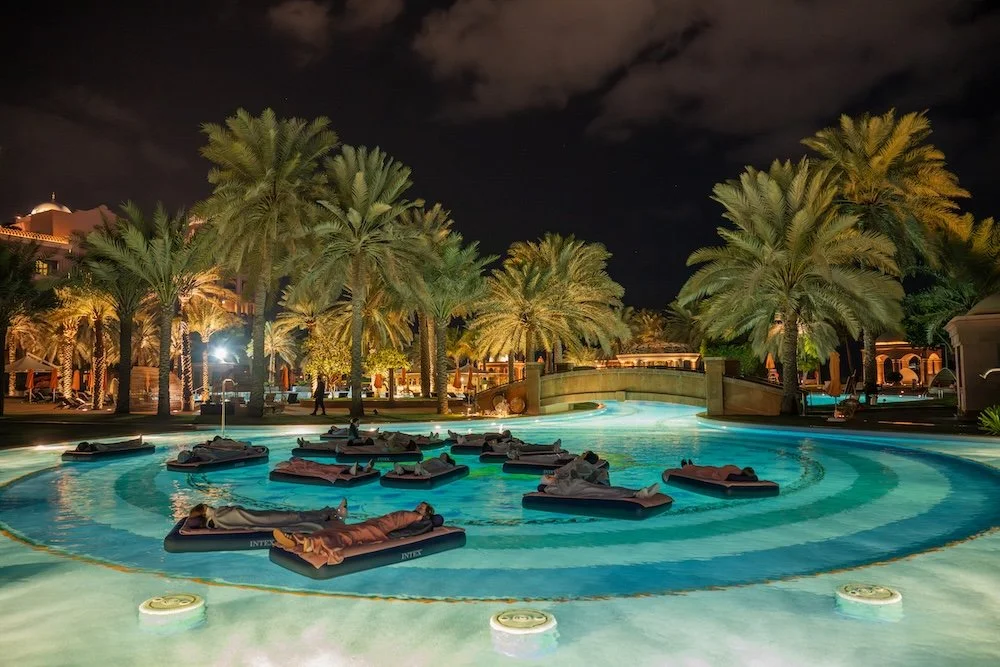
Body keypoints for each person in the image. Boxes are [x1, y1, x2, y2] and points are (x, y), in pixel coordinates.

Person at [273, 502, 443, 568]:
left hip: (379, 531)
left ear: (427, 514)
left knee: (349, 536)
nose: (418, 508)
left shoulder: (421, 520)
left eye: (422, 508)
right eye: (419, 506)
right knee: (335, 530)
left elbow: (411, 531)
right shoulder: (410, 514)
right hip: (374, 524)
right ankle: (298, 539)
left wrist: (394, 536)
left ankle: (307, 542)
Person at [186, 499, 347, 532]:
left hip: (258, 516)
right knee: (294, 517)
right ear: (203, 511)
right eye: (205, 506)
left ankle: (330, 514)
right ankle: (332, 514)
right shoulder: (216, 518)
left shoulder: (216, 517)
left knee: (294, 516)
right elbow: (238, 514)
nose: (208, 505)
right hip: (261, 519)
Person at [679, 460, 759, 482]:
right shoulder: (737, 472)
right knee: (705, 469)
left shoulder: (735, 476)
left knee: (700, 471)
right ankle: (691, 466)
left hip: (717, 472)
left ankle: (686, 467)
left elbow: (754, 478)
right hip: (718, 470)